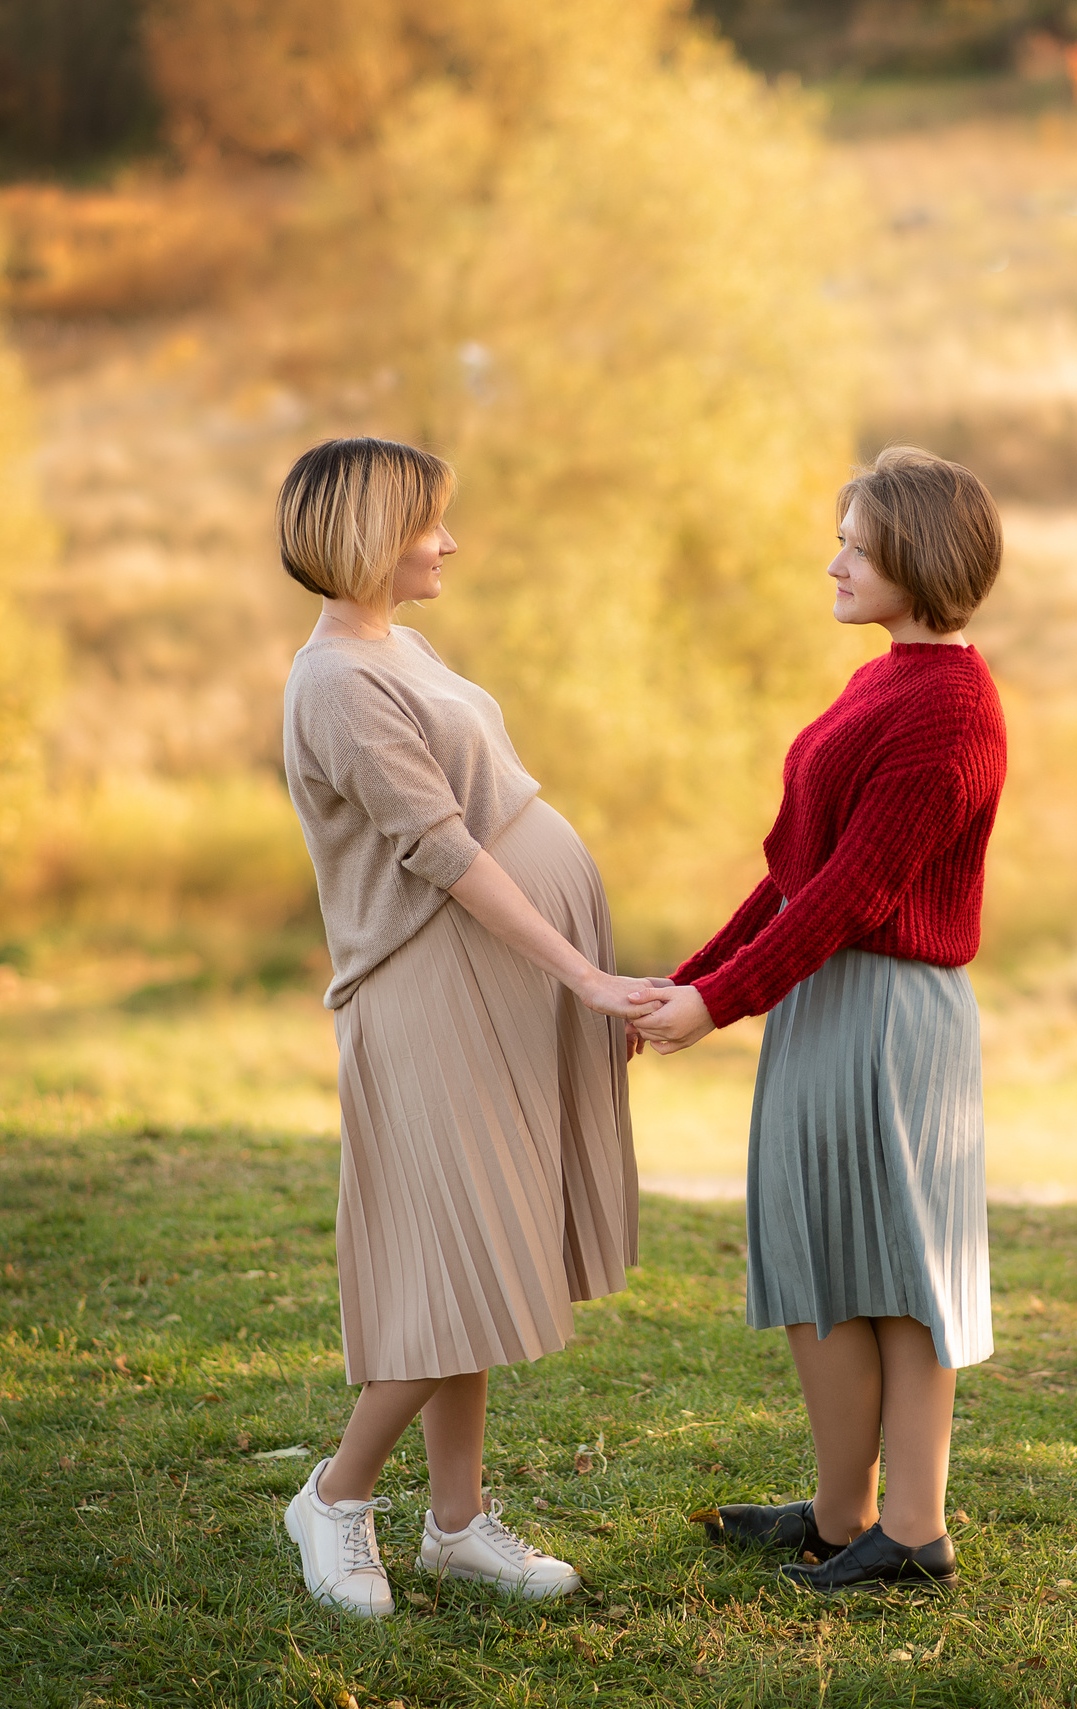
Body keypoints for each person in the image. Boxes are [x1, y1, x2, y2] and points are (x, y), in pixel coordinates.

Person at [273, 437, 664, 1618]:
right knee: (467, 1250)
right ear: (367, 533)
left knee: (481, 1253)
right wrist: (581, 976)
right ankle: (336, 1498)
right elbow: (441, 851)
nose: (448, 542)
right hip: (431, 984)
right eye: (428, 523)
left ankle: (455, 1523)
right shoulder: (337, 681)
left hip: (486, 977)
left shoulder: (401, 646)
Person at [637, 446, 1007, 1593]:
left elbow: (855, 896)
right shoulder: (880, 680)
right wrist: (691, 979)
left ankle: (911, 1529)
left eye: (856, 540)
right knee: (819, 1255)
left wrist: (718, 1000)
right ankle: (841, 1510)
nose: (835, 559)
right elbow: (801, 873)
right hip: (824, 998)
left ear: (918, 554)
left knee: (894, 1266)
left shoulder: (951, 708)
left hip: (890, 1013)